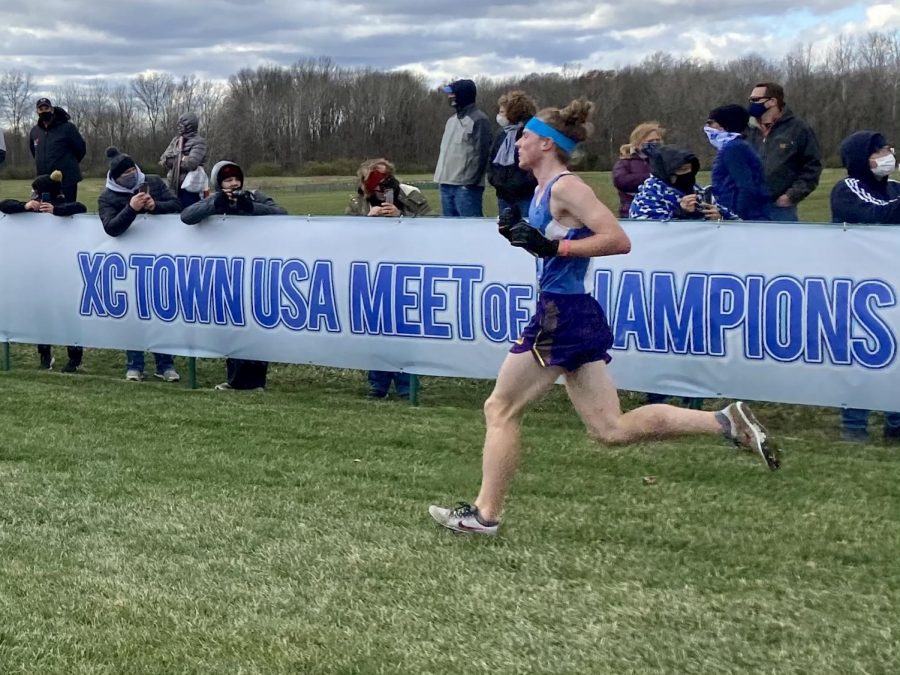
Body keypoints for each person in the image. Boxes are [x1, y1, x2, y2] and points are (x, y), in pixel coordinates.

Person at [428, 99, 781, 536]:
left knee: (499, 408)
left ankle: (484, 515)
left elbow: (617, 239)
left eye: (526, 136)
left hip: (563, 313)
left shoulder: (565, 186)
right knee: (610, 429)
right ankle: (725, 421)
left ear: (545, 143)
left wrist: (553, 248)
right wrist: (529, 239)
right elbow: (559, 244)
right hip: (571, 312)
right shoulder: (543, 189)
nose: (518, 142)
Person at [181, 160, 287, 390]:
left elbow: (281, 213)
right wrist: (215, 204)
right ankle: (236, 379)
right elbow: (187, 216)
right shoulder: (215, 199)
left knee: (256, 326)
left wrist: (250, 208)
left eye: (236, 179)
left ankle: (256, 380)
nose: (234, 183)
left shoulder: (254, 196)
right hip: (227, 273)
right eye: (228, 180)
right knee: (233, 327)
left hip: (255, 269)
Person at [830, 130, 900, 443]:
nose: (889, 154)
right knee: (862, 358)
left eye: (888, 148)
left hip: (893, 281)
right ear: (862, 157)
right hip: (859, 287)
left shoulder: (895, 189)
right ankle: (854, 425)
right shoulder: (847, 188)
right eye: (880, 150)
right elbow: (874, 215)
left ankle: (895, 424)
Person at [346, 158, 431, 398]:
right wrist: (367, 220)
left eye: (385, 178)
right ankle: (377, 384)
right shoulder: (357, 202)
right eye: (374, 179)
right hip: (371, 273)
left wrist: (402, 216)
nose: (381, 185)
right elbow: (343, 234)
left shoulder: (410, 194)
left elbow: (435, 226)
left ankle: (407, 386)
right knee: (375, 330)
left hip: (406, 271)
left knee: (405, 329)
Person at [98, 147, 183, 382]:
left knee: (161, 311)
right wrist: (132, 208)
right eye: (124, 173)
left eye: (132, 169)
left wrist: (156, 206)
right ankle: (134, 364)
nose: (131, 174)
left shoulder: (153, 182)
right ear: (115, 178)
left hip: (159, 258)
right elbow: (111, 228)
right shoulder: (107, 197)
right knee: (134, 314)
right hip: (127, 263)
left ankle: (165, 364)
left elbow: (177, 206)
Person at [1, 170, 87, 373]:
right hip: (40, 273)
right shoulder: (31, 210)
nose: (34, 197)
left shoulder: (64, 208)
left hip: (64, 274)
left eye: (37, 194)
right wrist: (25, 206)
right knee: (42, 314)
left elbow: (80, 207)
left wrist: (55, 211)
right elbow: (4, 204)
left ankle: (75, 357)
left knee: (67, 316)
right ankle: (45, 355)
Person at [746, 82, 822, 222]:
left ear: (772, 101)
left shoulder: (798, 129)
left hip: (780, 209)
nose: (751, 103)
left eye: (755, 100)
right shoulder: (747, 130)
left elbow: (812, 167)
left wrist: (791, 196)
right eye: (750, 100)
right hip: (748, 207)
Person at [629, 145, 737, 222]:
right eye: (682, 170)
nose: (687, 174)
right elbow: (651, 232)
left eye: (690, 170)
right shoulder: (648, 198)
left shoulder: (699, 192)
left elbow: (735, 221)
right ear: (667, 173)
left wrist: (720, 218)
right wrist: (681, 213)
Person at [433, 79, 492, 217]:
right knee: (448, 231)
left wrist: (469, 182)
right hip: (446, 184)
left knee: (470, 230)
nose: (449, 97)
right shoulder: (451, 120)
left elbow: (482, 154)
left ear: (462, 95)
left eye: (452, 94)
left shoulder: (479, 120)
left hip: (465, 188)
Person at [704, 105, 770, 221]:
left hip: (742, 216)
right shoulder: (735, 146)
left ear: (725, 124)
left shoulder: (733, 148)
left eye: (711, 122)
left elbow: (746, 186)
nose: (707, 127)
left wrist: (735, 216)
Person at [487, 90, 538, 217]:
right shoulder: (501, 133)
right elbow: (492, 160)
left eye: (502, 112)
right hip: (504, 196)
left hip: (526, 196)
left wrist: (523, 184)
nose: (499, 116)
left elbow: (534, 164)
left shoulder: (529, 134)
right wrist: (495, 181)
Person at [29, 97, 86, 202]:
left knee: (66, 213)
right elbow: (35, 152)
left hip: (66, 181)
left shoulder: (68, 128)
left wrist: (67, 164)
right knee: (45, 213)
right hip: (44, 182)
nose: (44, 111)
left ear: (52, 109)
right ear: (37, 112)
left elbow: (81, 149)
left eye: (46, 108)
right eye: (41, 109)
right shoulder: (35, 131)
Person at [612, 121, 665, 217]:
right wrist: (651, 177)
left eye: (657, 140)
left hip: (660, 212)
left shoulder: (665, 160)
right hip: (631, 212)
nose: (655, 143)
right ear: (638, 142)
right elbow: (621, 181)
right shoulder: (626, 162)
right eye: (650, 141)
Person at [159, 112, 209, 208]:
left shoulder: (199, 142)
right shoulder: (176, 140)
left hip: (190, 187)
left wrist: (175, 159)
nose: (179, 127)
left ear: (189, 125)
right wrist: (182, 158)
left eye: (182, 125)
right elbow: (164, 160)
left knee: (189, 212)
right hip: (173, 185)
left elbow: (191, 164)